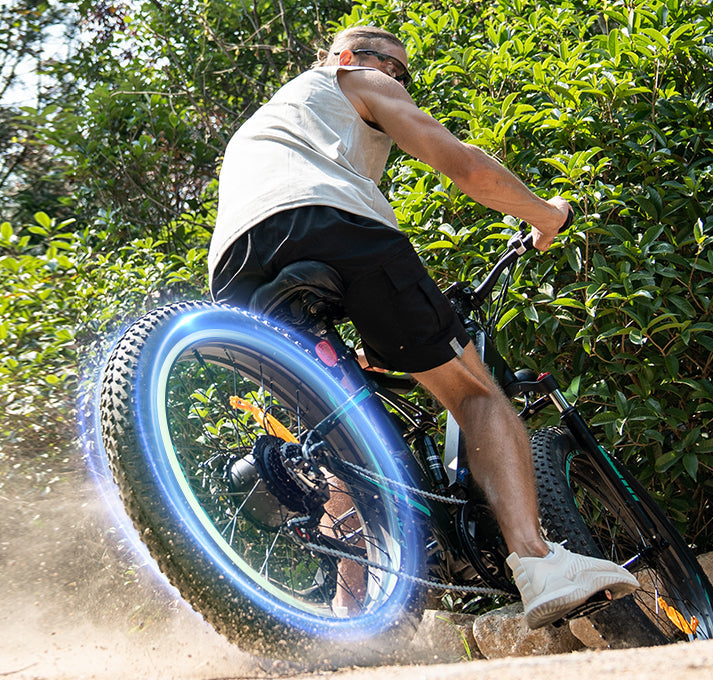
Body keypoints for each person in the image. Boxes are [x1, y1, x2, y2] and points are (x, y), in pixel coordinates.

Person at [208, 25, 638, 629]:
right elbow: (460, 162)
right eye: (394, 68)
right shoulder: (350, 79)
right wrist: (545, 215)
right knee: (475, 393)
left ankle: (353, 614)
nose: (400, 81)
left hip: (235, 270)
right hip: (329, 223)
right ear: (348, 57)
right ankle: (540, 564)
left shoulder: (266, 128)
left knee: (340, 430)